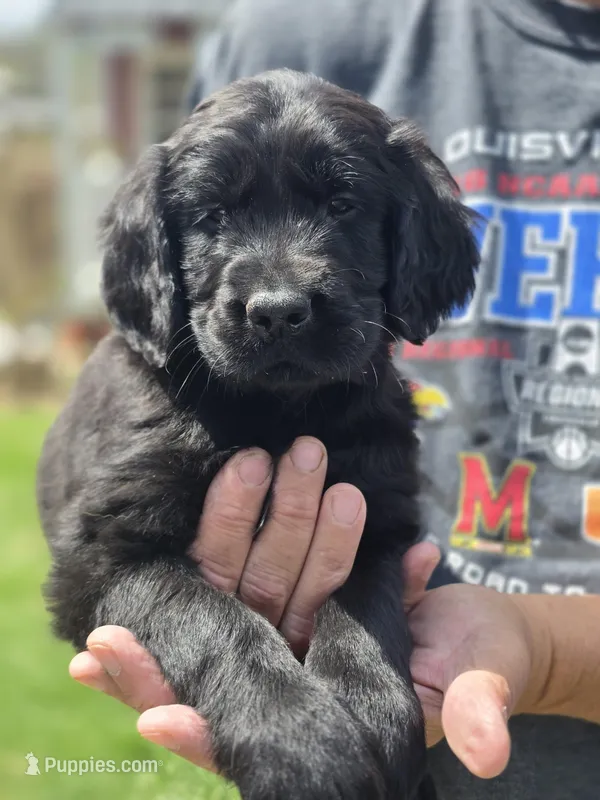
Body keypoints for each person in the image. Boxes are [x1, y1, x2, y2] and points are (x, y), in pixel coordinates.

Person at [71, 1, 600, 798]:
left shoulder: (379, 391)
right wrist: (245, 674)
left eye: (339, 207)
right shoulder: (288, 33)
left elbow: (377, 541)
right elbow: (105, 566)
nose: (278, 290)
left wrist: (545, 647)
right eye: (220, 216)